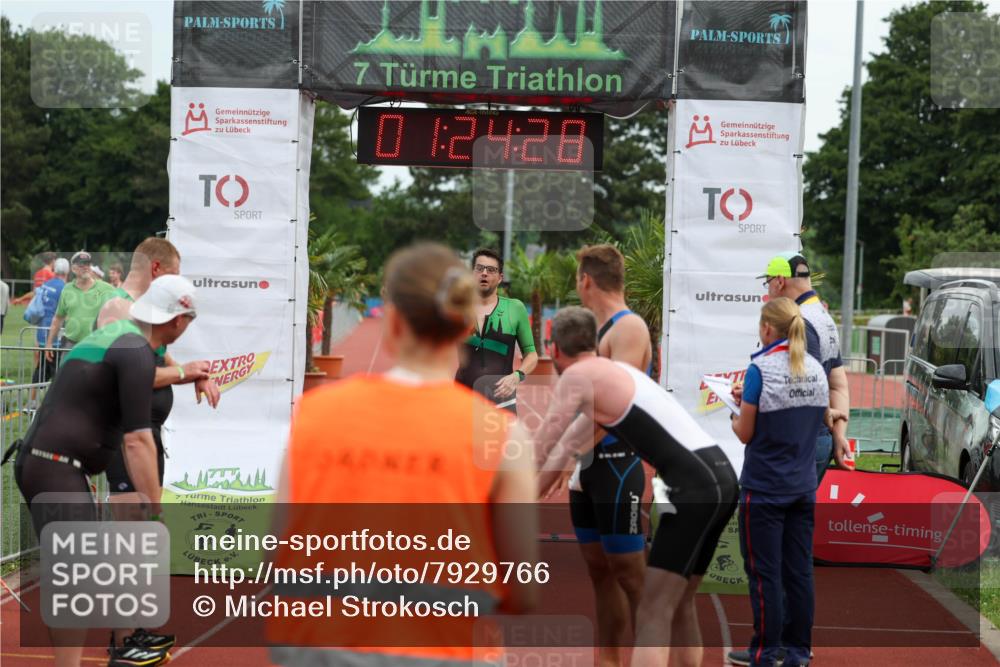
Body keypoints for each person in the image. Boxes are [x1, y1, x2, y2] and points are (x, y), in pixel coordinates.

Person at [268, 243, 538, 665]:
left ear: (391, 323)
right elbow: (523, 591)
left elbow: (278, 552)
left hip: (316, 647)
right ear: (461, 327)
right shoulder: (505, 437)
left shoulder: (312, 414)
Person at [535, 306, 739, 667]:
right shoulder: (617, 373)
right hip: (720, 476)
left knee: (652, 611)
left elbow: (544, 442)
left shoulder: (578, 375)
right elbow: (565, 448)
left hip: (692, 485)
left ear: (553, 349)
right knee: (679, 604)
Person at [11, 275, 199, 667]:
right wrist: (155, 507)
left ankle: (126, 640)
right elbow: (137, 442)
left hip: (55, 465)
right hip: (54, 465)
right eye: (189, 320)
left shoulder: (126, 339)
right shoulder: (133, 349)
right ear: (179, 320)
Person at [728, 253, 852, 667]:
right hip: (801, 486)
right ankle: (798, 650)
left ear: (767, 328)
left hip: (764, 487)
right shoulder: (815, 370)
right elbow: (823, 409)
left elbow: (744, 432)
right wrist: (838, 429)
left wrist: (735, 411)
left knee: (765, 573)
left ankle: (766, 651)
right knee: (799, 572)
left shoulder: (760, 368)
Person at [97, 238, 219, 656]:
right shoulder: (117, 309)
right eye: (173, 279)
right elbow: (126, 376)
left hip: (147, 433)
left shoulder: (146, 318)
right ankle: (121, 642)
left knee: (143, 542)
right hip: (125, 438)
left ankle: (134, 631)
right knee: (131, 541)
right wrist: (183, 372)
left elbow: (163, 364)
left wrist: (194, 374)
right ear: (155, 270)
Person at [563, 244, 651, 666]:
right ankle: (609, 660)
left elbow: (615, 409)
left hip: (617, 463)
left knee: (633, 578)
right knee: (599, 572)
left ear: (586, 280)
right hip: (586, 467)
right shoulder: (592, 330)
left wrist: (564, 451)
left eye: (577, 281)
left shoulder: (628, 328)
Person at [455, 248, 538, 412]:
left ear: (500, 278)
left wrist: (517, 376)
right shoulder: (458, 307)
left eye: (491, 270)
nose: (484, 273)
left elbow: (531, 354)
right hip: (462, 397)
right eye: (479, 268)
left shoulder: (515, 308)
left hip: (501, 401)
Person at [45, 252, 115, 360]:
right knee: (67, 376)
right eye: (81, 265)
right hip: (71, 345)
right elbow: (58, 318)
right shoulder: (67, 289)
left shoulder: (106, 288)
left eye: (87, 264)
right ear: (73, 269)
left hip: (96, 346)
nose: (85, 267)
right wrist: (49, 343)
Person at [24, 258, 68, 383]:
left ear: (54, 270)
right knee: (58, 376)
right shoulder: (65, 288)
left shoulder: (46, 285)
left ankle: (32, 401)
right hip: (56, 338)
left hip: (42, 334)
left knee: (40, 372)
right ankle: (54, 401)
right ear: (67, 272)